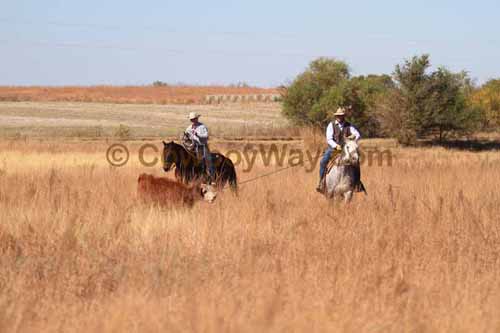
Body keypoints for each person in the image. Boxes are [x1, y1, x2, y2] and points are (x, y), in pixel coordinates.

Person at [316, 107, 361, 193]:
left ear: (344, 116)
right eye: (338, 116)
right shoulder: (331, 125)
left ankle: (357, 184)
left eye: (341, 116)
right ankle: (321, 183)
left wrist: (353, 137)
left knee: (356, 163)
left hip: (347, 149)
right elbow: (329, 139)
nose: (340, 117)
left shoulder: (349, 125)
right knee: (323, 162)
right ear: (336, 116)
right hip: (334, 149)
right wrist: (336, 146)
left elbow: (358, 134)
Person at [185, 112, 215, 183]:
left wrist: (198, 135)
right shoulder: (189, 128)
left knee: (208, 161)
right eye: (191, 119)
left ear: (197, 118)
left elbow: (206, 136)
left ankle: (211, 177)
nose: (192, 120)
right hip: (192, 147)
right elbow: (186, 135)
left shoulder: (202, 126)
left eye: (194, 119)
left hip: (202, 146)